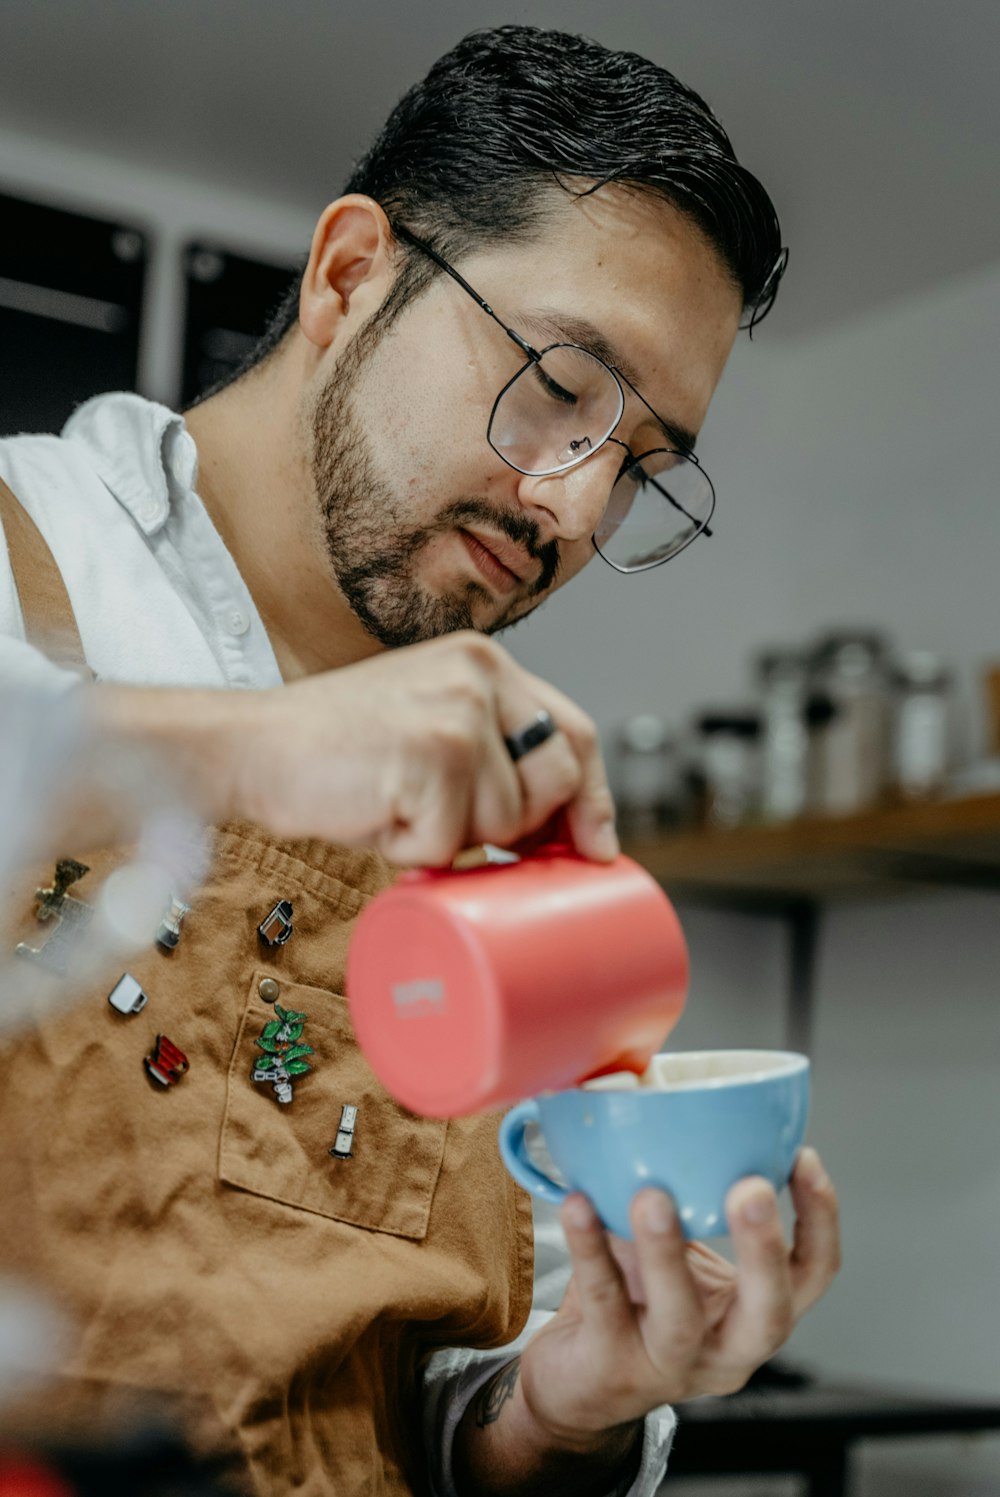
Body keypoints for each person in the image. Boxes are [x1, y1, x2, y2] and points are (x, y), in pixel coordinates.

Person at [0, 25, 840, 1497]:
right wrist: (250, 751)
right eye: (564, 381)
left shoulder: (506, 813)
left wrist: (566, 1408)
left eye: (644, 463)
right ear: (347, 276)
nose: (577, 509)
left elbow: (422, 1406)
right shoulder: (30, 543)